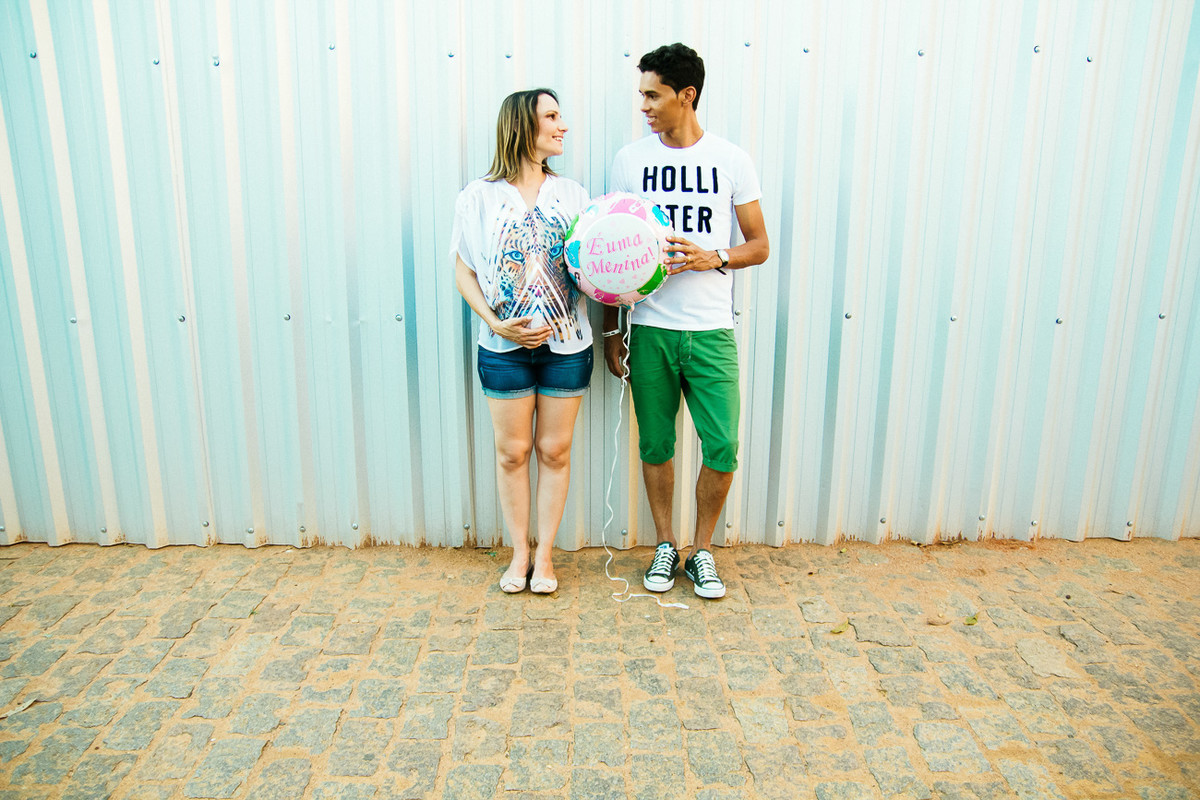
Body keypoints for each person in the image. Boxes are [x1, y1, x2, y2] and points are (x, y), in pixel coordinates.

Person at [605, 44, 770, 599]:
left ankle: (702, 551)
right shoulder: (630, 161)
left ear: (686, 95)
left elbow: (760, 245)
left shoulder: (731, 160)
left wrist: (713, 256)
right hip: (649, 328)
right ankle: (665, 545)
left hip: (711, 330)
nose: (645, 106)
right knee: (657, 446)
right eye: (642, 95)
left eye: (653, 95)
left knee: (721, 447)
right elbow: (604, 252)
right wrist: (612, 330)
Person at [452, 89, 592, 594]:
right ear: (522, 125)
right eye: (552, 116)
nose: (563, 126)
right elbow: (463, 268)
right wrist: (496, 320)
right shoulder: (479, 196)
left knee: (554, 451)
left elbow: (592, 266)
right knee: (512, 453)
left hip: (567, 347)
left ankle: (547, 558)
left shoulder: (575, 196)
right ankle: (519, 554)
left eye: (561, 114)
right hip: (503, 349)